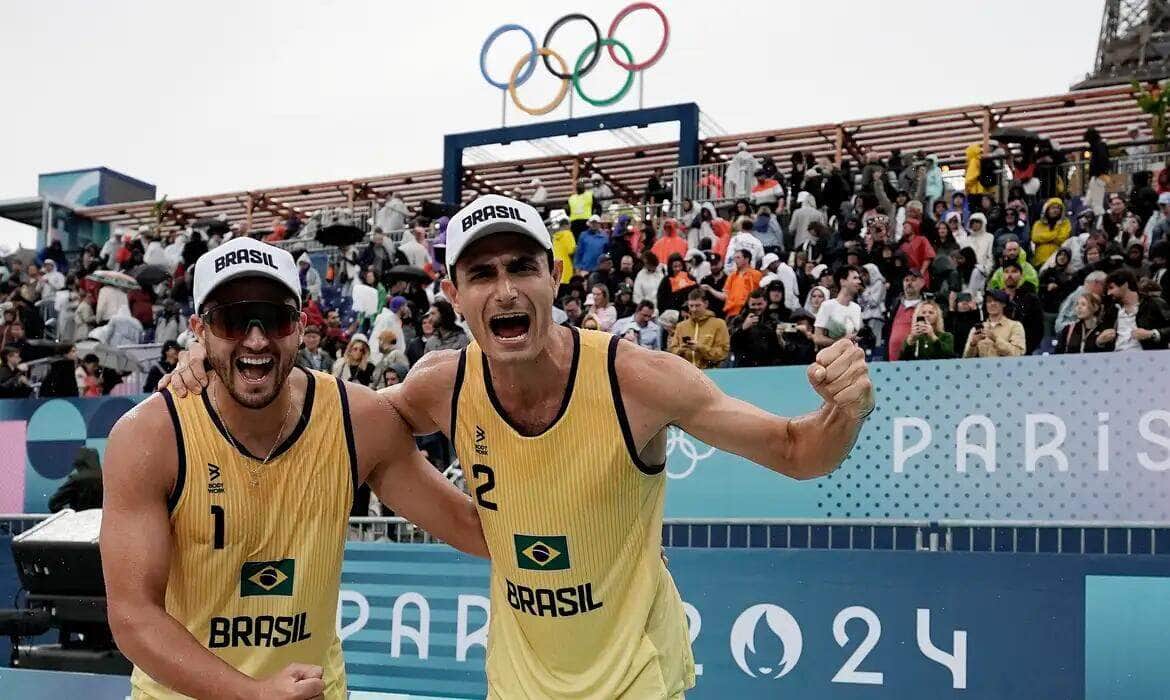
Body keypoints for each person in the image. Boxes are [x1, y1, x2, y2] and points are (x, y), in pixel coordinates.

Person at [166, 195, 875, 699]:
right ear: (455, 295)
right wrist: (211, 363)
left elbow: (797, 452)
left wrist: (845, 410)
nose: (504, 290)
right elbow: (333, 422)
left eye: (521, 268)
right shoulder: (441, 384)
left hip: (635, 675)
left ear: (553, 277)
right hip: (519, 681)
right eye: (482, 275)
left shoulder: (636, 380)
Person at [108, 237, 487, 700]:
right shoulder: (151, 435)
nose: (256, 339)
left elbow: (474, 528)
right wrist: (253, 694)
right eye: (231, 320)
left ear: (301, 326)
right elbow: (133, 616)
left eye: (275, 318)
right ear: (199, 330)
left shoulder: (357, 420)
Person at [1095, 268, 1170, 351]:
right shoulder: (1112, 310)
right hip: (1116, 357)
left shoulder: (1153, 303)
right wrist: (1099, 341)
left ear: (1125, 285)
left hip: (1148, 357)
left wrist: (1152, 334)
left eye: (1111, 288)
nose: (1109, 293)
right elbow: (1098, 337)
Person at [669, 288, 730, 368]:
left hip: (710, 371)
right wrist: (681, 350)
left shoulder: (719, 324)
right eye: (691, 306)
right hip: (685, 371)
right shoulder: (681, 326)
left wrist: (700, 348)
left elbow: (723, 353)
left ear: (706, 304)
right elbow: (672, 351)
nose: (694, 309)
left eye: (697, 305)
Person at [962, 290, 1026, 358]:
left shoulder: (1015, 326)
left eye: (996, 300)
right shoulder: (977, 328)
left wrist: (995, 339)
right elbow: (966, 358)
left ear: (1004, 304)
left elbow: (1018, 353)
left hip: (1006, 365)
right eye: (989, 301)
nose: (992, 303)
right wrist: (973, 344)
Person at [814, 266, 863, 348]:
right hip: (832, 354)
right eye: (855, 278)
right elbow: (818, 338)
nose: (859, 281)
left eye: (859, 278)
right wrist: (841, 342)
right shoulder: (827, 306)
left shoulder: (857, 308)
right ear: (843, 281)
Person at [730, 290, 781, 367]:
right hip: (744, 365)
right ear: (748, 304)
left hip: (767, 365)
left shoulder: (773, 321)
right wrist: (743, 328)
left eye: (759, 304)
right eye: (753, 304)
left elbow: (778, 349)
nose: (756, 307)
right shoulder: (738, 320)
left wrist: (779, 337)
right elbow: (731, 343)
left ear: (766, 302)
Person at [48, 447, 103, 512]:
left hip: (80, 517)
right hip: (101, 517)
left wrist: (67, 514)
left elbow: (53, 503)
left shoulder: (76, 479)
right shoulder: (106, 478)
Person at [722, 249, 763, 318]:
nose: (735, 260)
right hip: (731, 313)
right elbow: (725, 294)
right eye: (735, 258)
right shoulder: (732, 276)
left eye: (738, 257)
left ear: (746, 259)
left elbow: (759, 293)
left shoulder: (756, 274)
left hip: (748, 312)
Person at [1031, 198, 1071, 266]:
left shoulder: (1065, 223)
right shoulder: (1038, 223)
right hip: (1040, 261)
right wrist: (1055, 234)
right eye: (1053, 208)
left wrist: (1044, 239)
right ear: (1047, 209)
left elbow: (1062, 239)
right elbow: (1035, 238)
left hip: (1057, 261)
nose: (1056, 210)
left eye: (1058, 208)